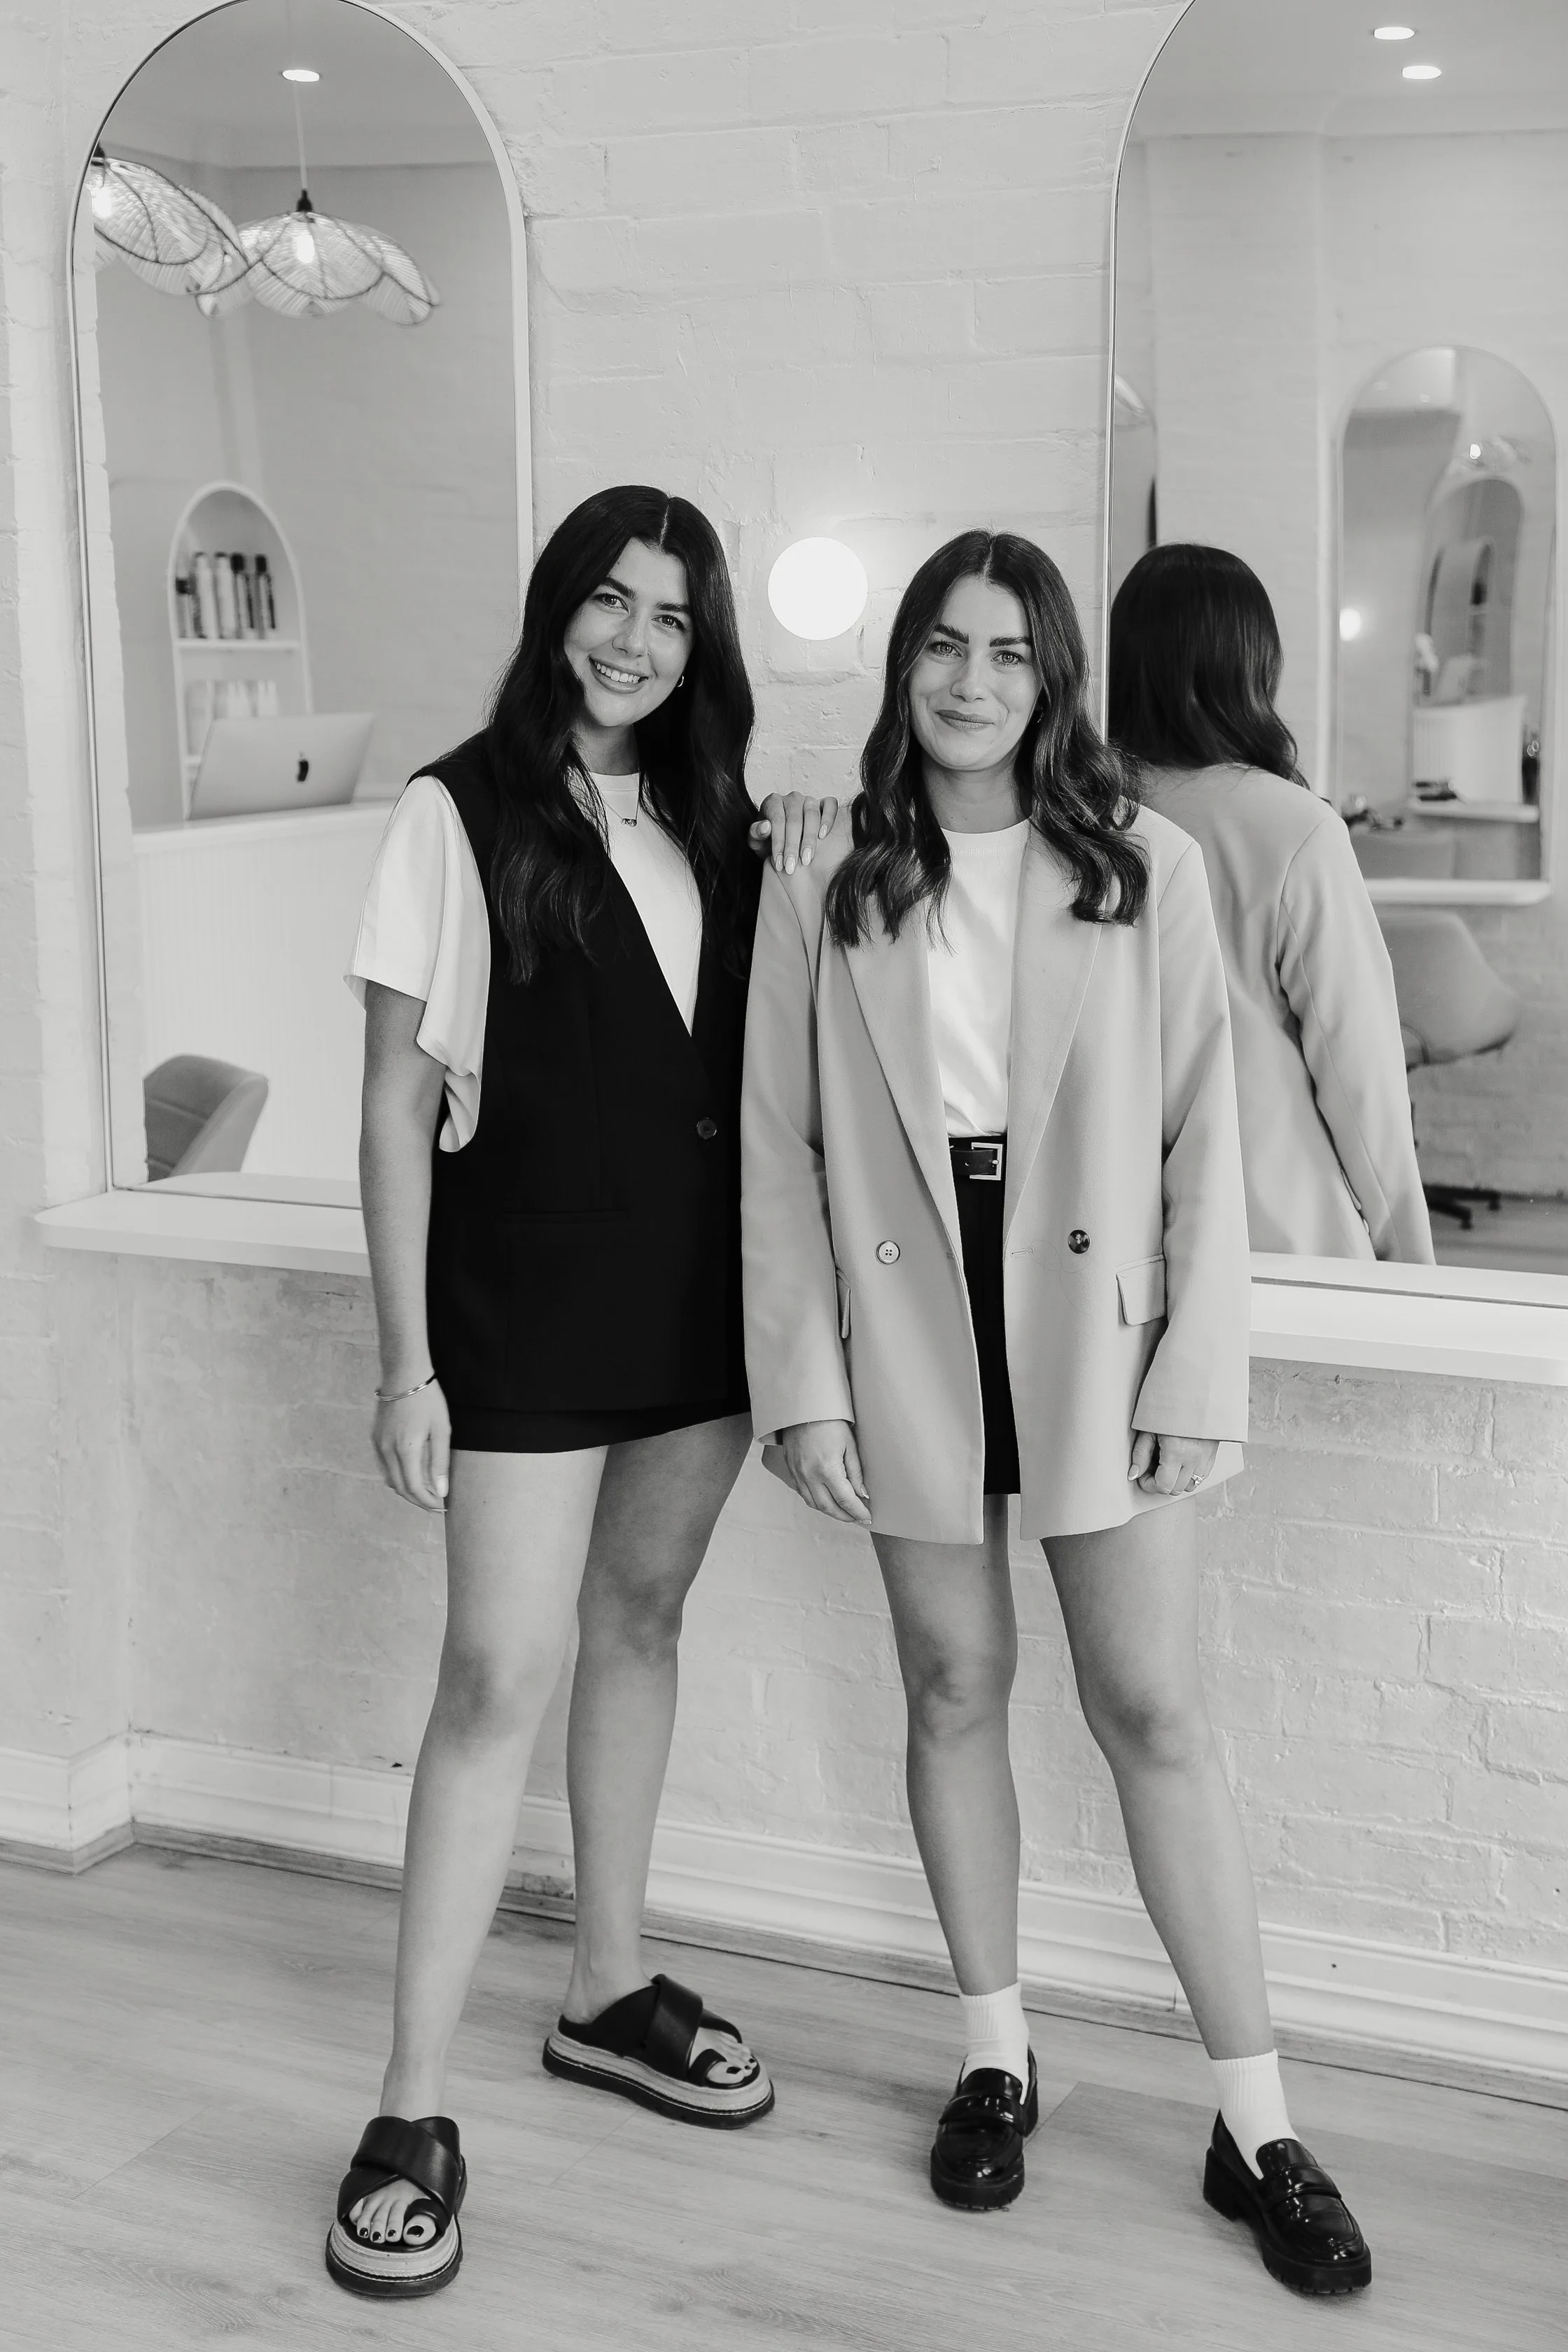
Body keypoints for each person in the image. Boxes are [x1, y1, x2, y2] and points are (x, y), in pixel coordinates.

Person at [741, 530, 1371, 2297]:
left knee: (1152, 1708)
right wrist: (801, 1385)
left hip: (1097, 1319)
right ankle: (994, 2055)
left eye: (1009, 653)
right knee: (954, 1688)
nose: (971, 682)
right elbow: (778, 1151)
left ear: (1054, 679)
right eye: (943, 647)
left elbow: (1203, 1142)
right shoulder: (827, 872)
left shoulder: (1143, 862)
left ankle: (1258, 2127)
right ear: (904, 668)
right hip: (908, 1315)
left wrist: (1198, 1371)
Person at [327, 484, 834, 2299]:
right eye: (610, 601)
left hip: (698, 1311)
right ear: (558, 608)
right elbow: (394, 1105)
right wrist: (407, 1362)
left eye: (672, 616)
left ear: (704, 649)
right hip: (524, 1309)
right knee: (494, 1676)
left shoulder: (720, 818)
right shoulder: (452, 811)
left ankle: (604, 1983)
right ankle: (409, 2104)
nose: (634, 640)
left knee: (639, 1623)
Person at [1110, 541, 1434, 1264]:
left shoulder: (1074, 817)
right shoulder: (1293, 827)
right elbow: (1359, 1075)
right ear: (1253, 664)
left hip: (1113, 1236)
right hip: (1277, 1232)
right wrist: (1411, 1266)